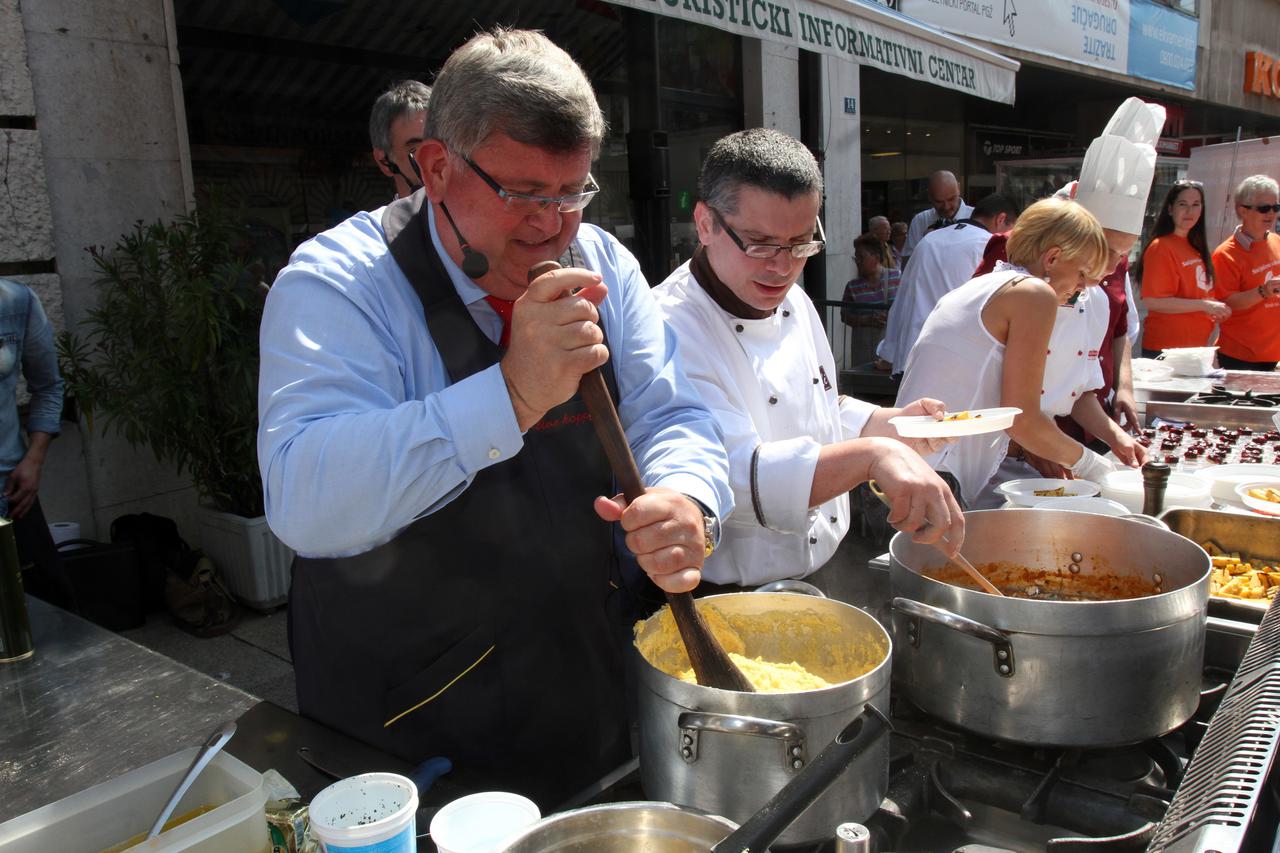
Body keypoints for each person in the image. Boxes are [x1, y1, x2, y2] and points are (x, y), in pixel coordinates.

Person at [258, 28, 732, 807]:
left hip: (585, 688)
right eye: (522, 194)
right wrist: (509, 395)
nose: (553, 226)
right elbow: (305, 499)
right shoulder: (338, 284)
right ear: (437, 167)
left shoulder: (605, 263)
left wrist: (687, 496)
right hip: (407, 727)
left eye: (572, 192)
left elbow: (672, 412)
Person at [651, 128, 962, 588]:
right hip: (727, 593)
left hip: (828, 563)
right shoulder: (666, 325)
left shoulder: (795, 301)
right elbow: (730, 477)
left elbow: (821, 407)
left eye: (800, 244)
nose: (782, 267)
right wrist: (874, 455)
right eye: (759, 243)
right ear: (705, 223)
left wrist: (891, 424)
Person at [895, 197, 1145, 507]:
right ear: (1052, 258)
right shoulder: (1033, 293)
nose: (1082, 288)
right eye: (1081, 274)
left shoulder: (991, 284)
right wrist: (1096, 466)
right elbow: (1023, 420)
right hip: (939, 469)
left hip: (917, 464)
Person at [877, 193, 1020, 373]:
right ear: (1001, 219)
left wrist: (889, 353)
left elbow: (902, 300)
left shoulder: (928, 241)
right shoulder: (988, 246)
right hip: (957, 360)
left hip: (912, 355)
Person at [0, 279, 70, 609]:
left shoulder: (15, 301)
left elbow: (49, 387)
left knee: (50, 619)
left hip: (11, 494)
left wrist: (34, 459)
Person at [1135, 180, 1228, 357]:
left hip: (1194, 349)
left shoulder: (1196, 247)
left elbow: (1197, 294)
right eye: (1182, 204)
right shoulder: (1160, 247)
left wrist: (1212, 308)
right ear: (1170, 209)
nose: (1189, 211)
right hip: (1166, 350)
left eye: (1195, 205)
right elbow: (1153, 301)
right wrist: (1204, 305)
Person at [1212, 174, 1280, 371]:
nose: (1271, 214)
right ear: (1242, 210)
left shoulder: (1276, 241)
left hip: (1274, 356)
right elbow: (1227, 302)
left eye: (1276, 208)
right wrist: (1263, 292)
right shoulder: (1226, 253)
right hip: (1240, 356)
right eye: (1263, 208)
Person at [369, 80, 431, 199]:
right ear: (384, 161)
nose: (437, 154)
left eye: (444, 143)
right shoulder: (374, 218)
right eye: (418, 147)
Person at [901, 171, 974, 262]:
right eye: (939, 202)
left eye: (951, 199)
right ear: (929, 196)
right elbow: (907, 266)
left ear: (959, 188)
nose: (946, 207)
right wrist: (925, 244)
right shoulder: (920, 221)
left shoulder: (976, 217)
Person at [842, 233, 901, 328]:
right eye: (856, 257)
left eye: (861, 257)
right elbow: (844, 316)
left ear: (876, 258)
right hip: (864, 341)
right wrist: (866, 320)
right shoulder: (852, 286)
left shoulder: (897, 277)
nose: (857, 261)